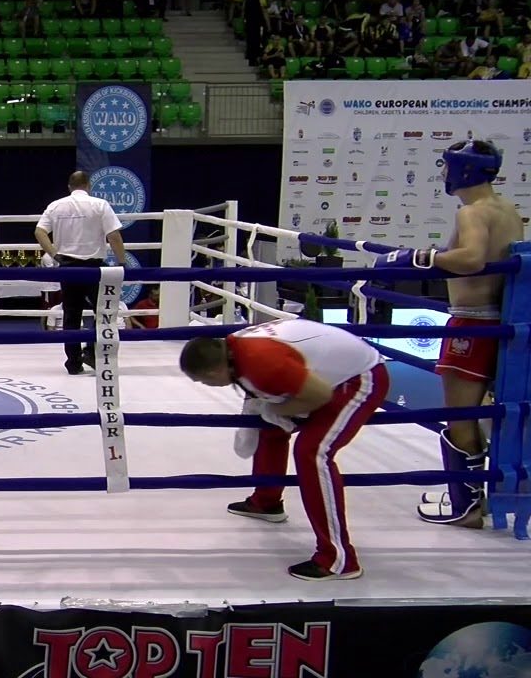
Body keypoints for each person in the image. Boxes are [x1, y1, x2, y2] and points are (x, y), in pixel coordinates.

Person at [375, 140, 522, 527]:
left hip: (472, 323)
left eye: (446, 166)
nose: (443, 173)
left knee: (459, 416)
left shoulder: (471, 212)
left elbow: (471, 258)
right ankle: (481, 497)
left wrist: (419, 258)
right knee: (484, 412)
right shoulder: (507, 209)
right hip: (501, 322)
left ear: (463, 170)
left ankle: (466, 505)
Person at [180, 319, 389, 581]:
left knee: (312, 453)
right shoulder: (234, 350)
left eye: (202, 381)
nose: (206, 386)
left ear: (213, 372)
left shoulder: (260, 362)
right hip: (323, 375)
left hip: (358, 379)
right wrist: (270, 410)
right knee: (269, 427)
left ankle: (338, 559)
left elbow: (319, 395)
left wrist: (276, 410)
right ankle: (267, 501)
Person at [34, 171, 127, 375]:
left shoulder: (56, 205)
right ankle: (92, 352)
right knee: (103, 311)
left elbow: (39, 232)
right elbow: (114, 235)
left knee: (71, 314)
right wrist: (122, 262)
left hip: (68, 266)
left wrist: (55, 255)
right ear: (88, 185)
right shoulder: (100, 204)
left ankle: (73, 362)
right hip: (94, 267)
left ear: (69, 186)